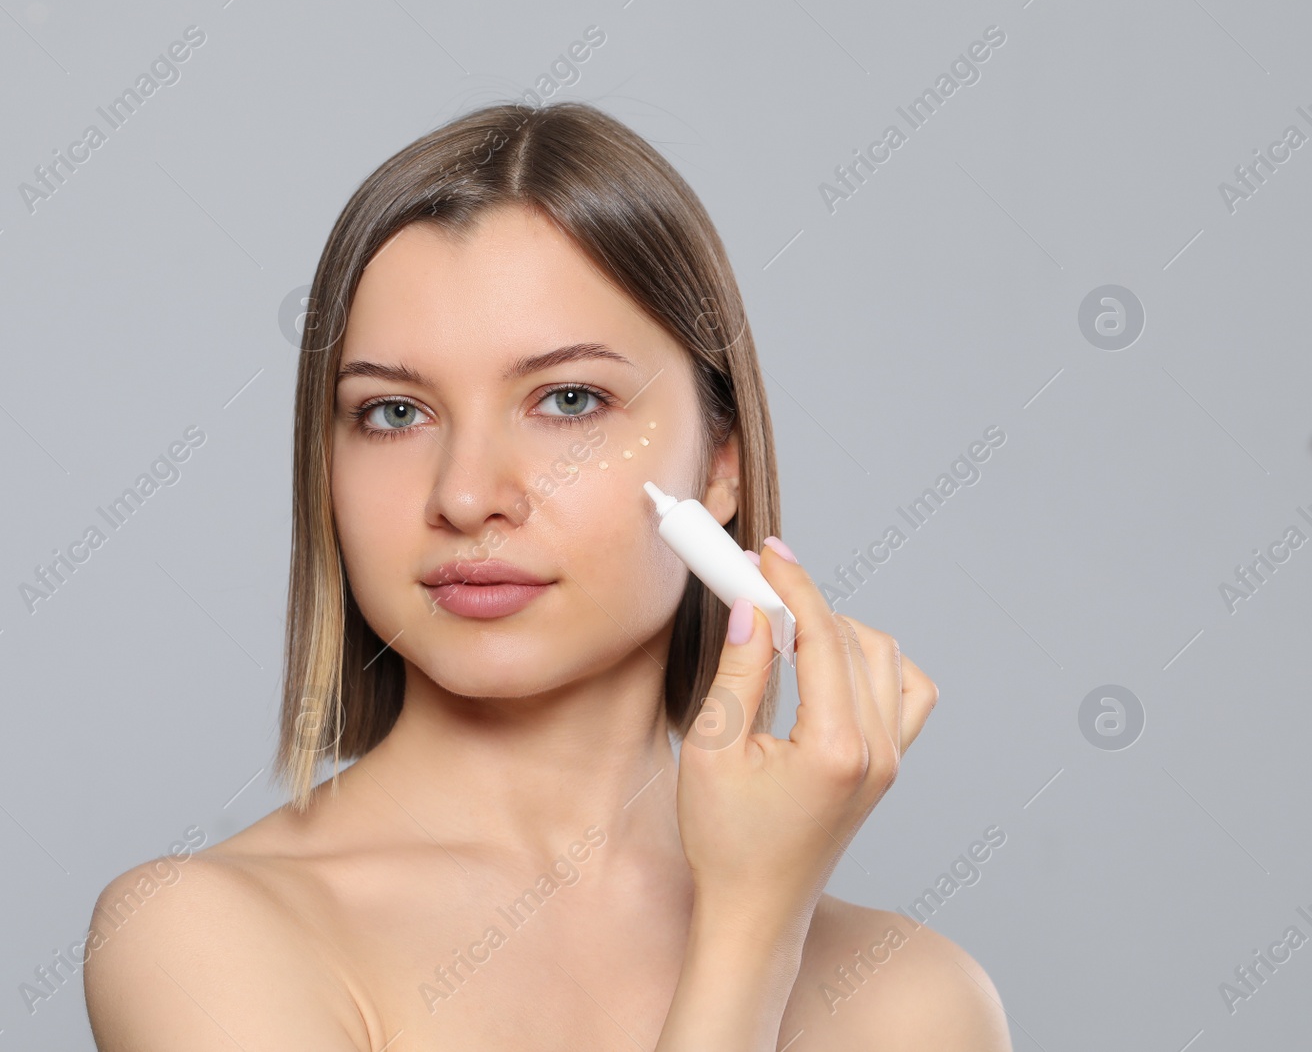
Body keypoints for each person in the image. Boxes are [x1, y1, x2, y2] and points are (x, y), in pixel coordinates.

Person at [84, 100, 1011, 1051]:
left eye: (569, 400)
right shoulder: (198, 937)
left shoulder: (909, 1000)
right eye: (395, 413)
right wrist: (747, 936)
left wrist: (758, 915)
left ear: (721, 461)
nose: (467, 494)